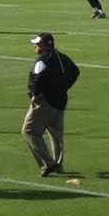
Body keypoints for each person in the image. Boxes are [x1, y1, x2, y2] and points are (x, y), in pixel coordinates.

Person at [22, 32, 80, 177]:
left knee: (29, 132)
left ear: (46, 45)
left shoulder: (43, 60)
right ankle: (58, 164)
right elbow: (75, 72)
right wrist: (63, 88)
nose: (35, 46)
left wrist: (35, 94)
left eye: (38, 43)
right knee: (56, 135)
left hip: (45, 102)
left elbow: (37, 78)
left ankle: (49, 163)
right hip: (60, 101)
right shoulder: (62, 57)